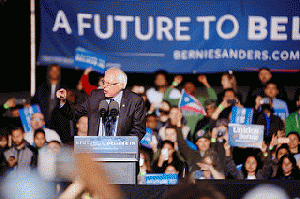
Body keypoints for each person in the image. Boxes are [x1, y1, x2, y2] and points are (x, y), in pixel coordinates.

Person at [56, 67, 146, 140]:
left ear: (121, 85)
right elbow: (73, 113)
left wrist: (122, 144)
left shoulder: (134, 101)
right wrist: (63, 101)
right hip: (95, 152)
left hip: (120, 154)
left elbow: (139, 130)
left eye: (109, 84)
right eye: (104, 82)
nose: (104, 87)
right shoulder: (95, 96)